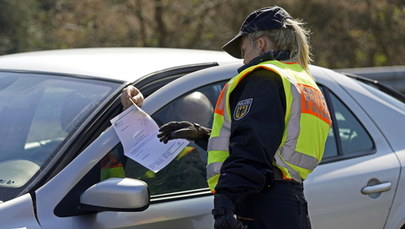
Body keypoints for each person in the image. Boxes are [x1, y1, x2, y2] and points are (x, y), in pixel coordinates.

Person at [123, 6, 331, 229]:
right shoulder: (302, 81)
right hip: (289, 204)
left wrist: (225, 201)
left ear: (260, 43)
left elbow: (253, 148)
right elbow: (271, 143)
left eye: (244, 51)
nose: (243, 61)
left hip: (261, 204)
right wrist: (202, 135)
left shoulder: (264, 78)